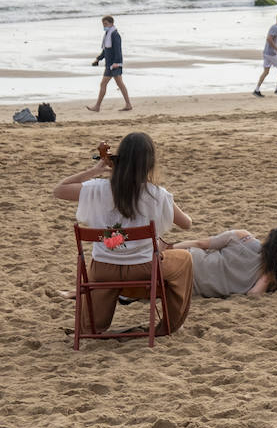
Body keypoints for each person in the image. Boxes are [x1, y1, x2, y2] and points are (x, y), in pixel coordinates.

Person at [54, 132, 193, 334]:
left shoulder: (97, 189)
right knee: (185, 259)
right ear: (149, 163)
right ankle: (168, 326)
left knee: (103, 263)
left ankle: (93, 325)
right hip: (144, 269)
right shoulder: (157, 194)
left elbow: (59, 190)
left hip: (102, 269)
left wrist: (95, 170)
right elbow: (187, 224)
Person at [172, 226, 277, 298]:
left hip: (189, 260)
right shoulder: (268, 273)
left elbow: (201, 244)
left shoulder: (243, 236)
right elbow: (253, 294)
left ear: (270, 234)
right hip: (190, 287)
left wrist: (170, 248)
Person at [87, 14, 132, 112]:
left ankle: (98, 106)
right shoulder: (108, 34)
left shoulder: (115, 34)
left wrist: (117, 62)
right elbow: (105, 50)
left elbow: (118, 50)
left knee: (107, 84)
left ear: (111, 23)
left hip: (114, 65)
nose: (104, 25)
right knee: (116, 84)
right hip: (109, 65)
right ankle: (127, 104)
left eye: (106, 23)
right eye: (103, 24)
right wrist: (98, 59)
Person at [253, 13, 277, 98]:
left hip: (267, 52)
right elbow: (269, 38)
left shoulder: (275, 27)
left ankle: (257, 90)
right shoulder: (276, 28)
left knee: (266, 72)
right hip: (271, 53)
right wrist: (276, 48)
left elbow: (270, 39)